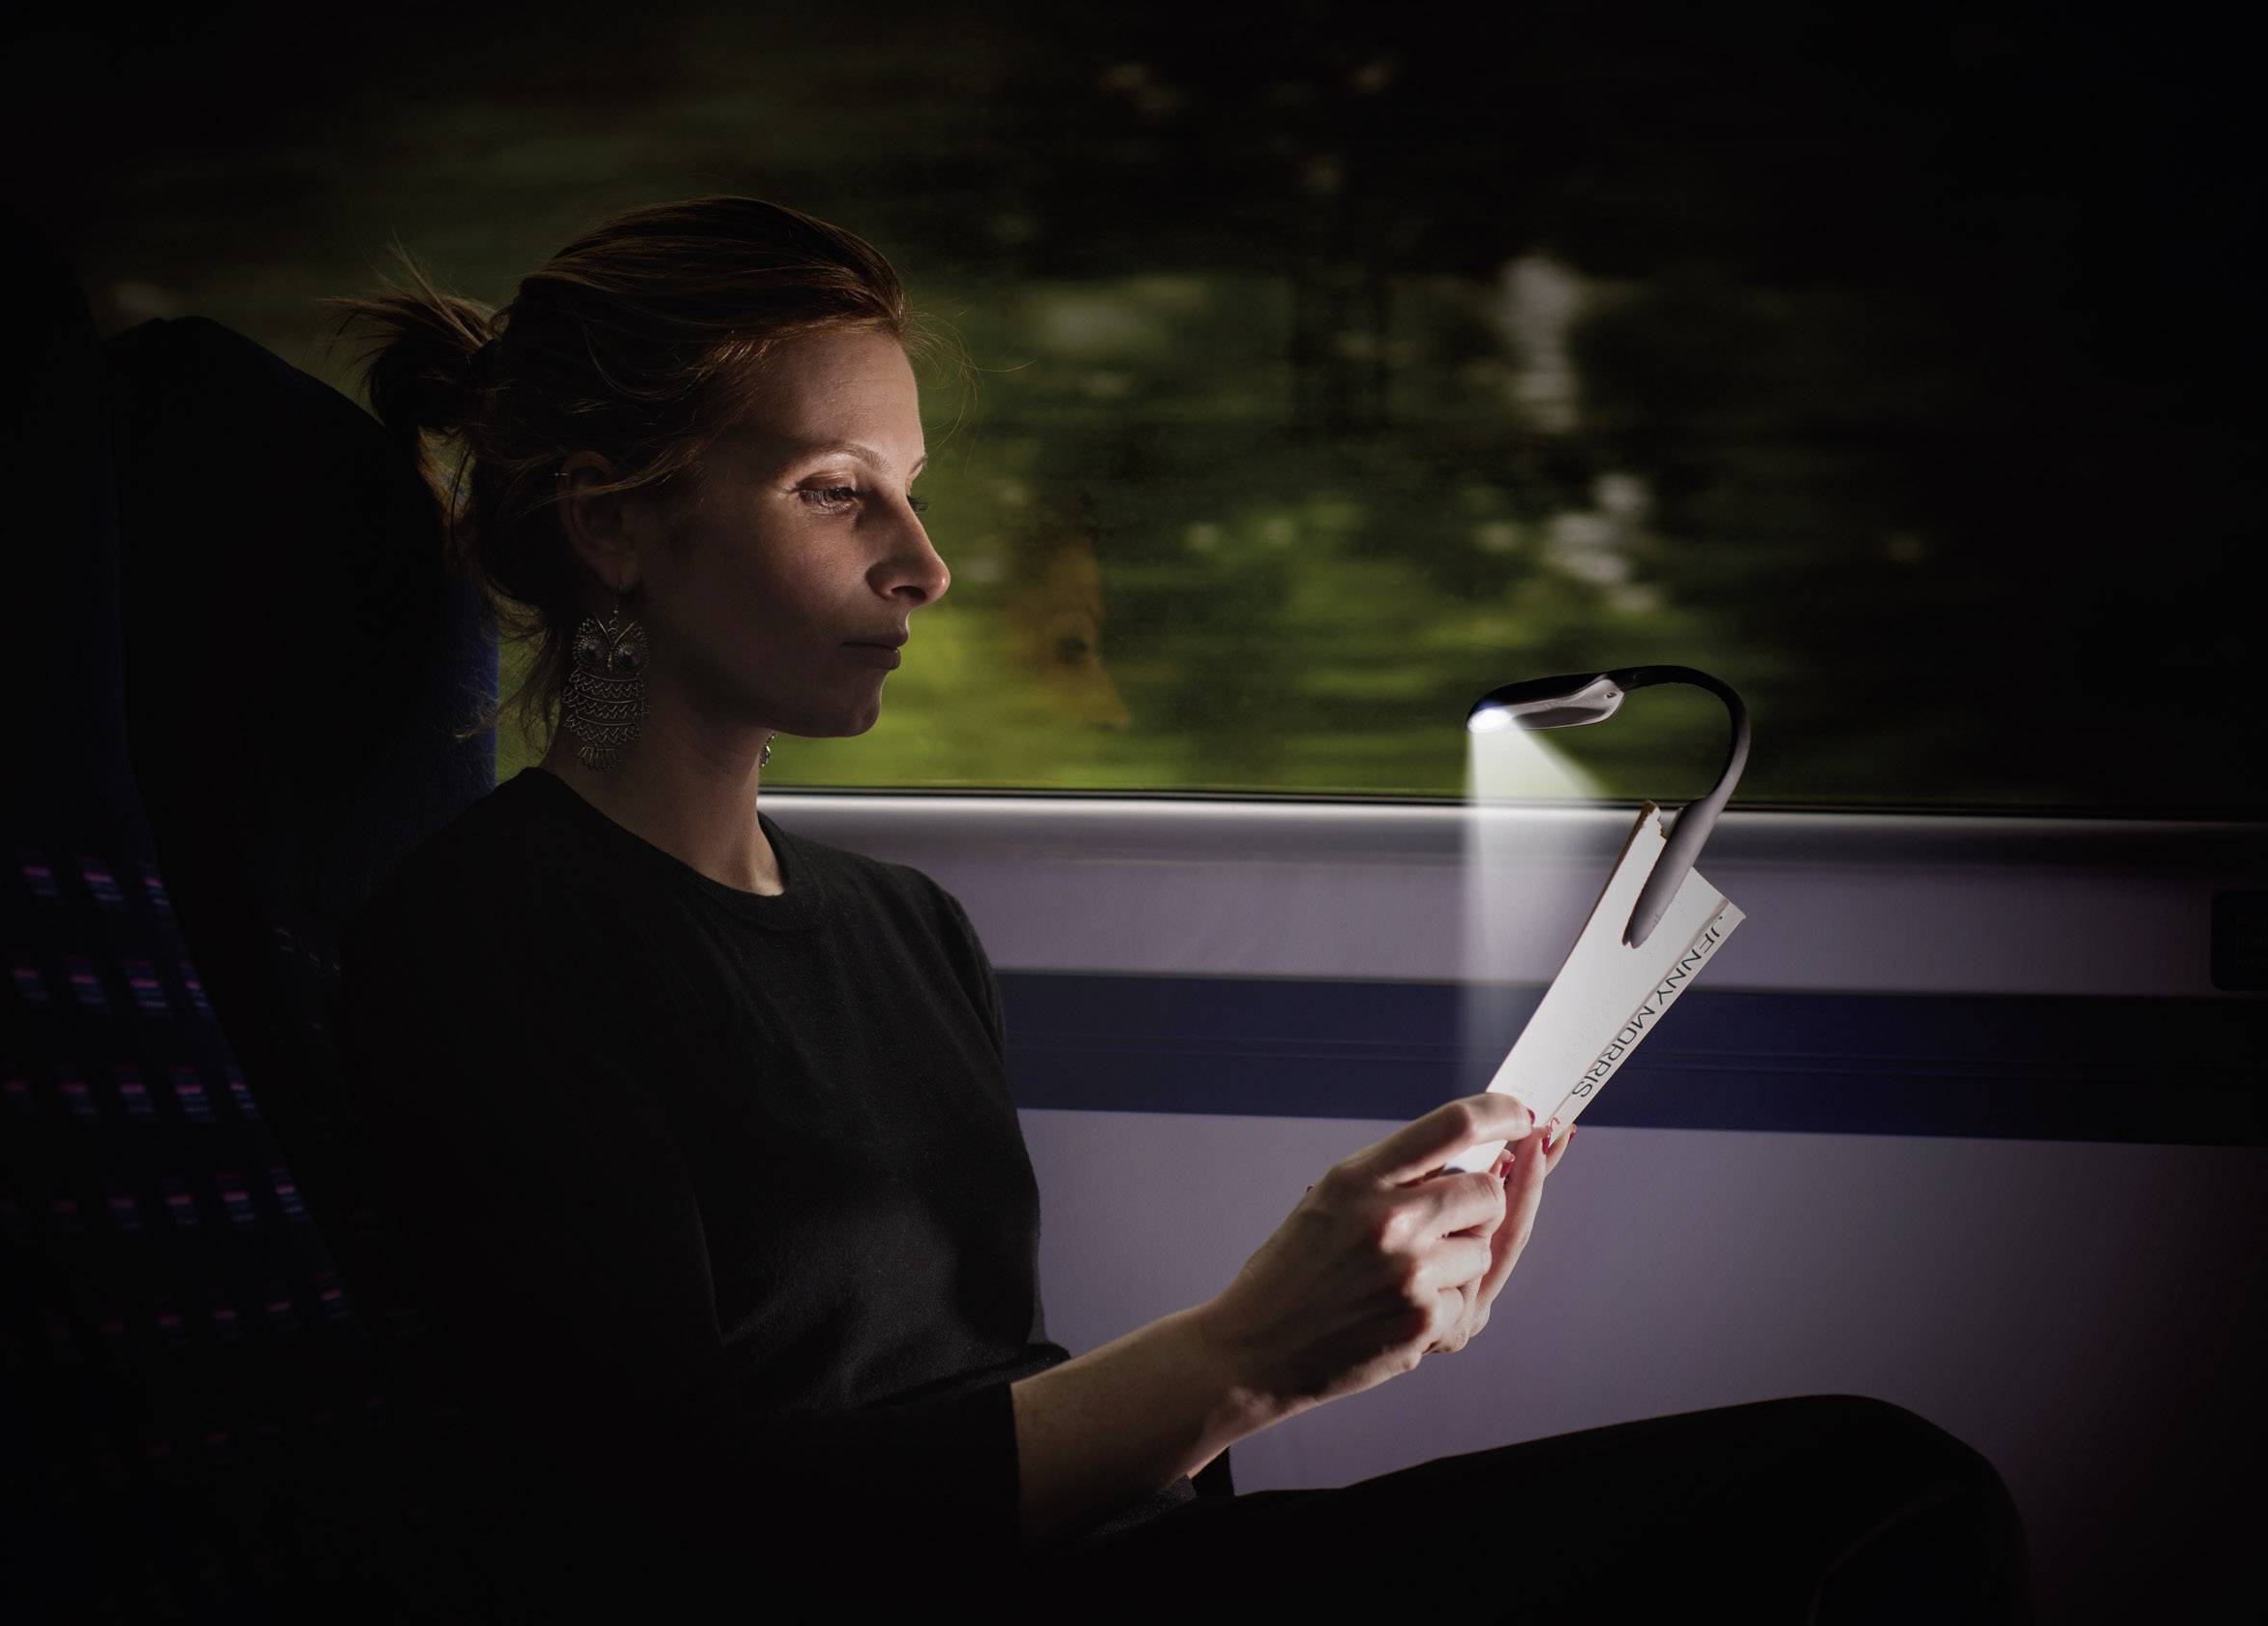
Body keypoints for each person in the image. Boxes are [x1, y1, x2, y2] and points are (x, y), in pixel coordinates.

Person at [318, 197, 2034, 1618]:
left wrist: (1329, 1329)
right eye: (835, 492)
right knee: (1862, 1505)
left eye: (916, 489)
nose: (921, 563)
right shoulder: (490, 944)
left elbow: (983, 1397)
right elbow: (675, 1545)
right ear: (616, 526)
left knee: (1874, 1488)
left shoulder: (901, 928)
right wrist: (1243, 1358)